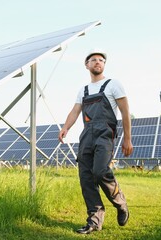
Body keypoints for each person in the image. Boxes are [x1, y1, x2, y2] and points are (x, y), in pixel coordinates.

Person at [58, 48, 133, 234]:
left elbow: (125, 112)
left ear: (104, 64)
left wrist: (128, 139)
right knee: (86, 178)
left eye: (101, 60)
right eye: (93, 60)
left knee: (100, 172)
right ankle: (94, 220)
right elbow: (75, 111)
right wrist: (65, 127)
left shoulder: (113, 84)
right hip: (86, 136)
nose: (97, 62)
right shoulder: (83, 90)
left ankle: (120, 202)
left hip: (105, 133)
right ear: (87, 65)